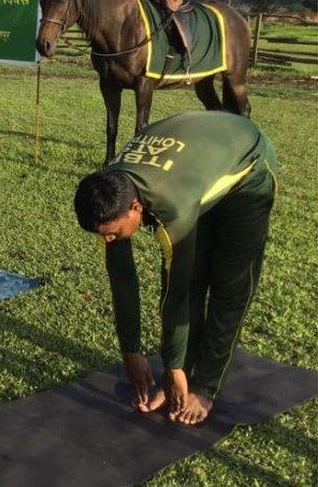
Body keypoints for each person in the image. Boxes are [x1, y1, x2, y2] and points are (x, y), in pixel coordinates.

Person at [73, 111, 277, 426]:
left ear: (136, 208)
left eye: (113, 233)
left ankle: (205, 385)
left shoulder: (173, 206)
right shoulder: (109, 192)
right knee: (191, 275)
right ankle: (183, 370)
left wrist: (172, 367)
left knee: (228, 285)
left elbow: (175, 294)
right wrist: (130, 350)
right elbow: (123, 279)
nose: (109, 239)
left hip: (246, 167)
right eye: (104, 235)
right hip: (196, 163)